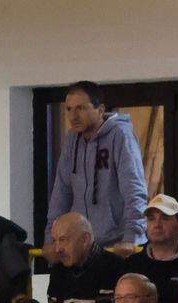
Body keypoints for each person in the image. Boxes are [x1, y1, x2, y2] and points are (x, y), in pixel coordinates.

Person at [44, 81, 147, 249]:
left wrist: (132, 237)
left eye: (81, 108)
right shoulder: (72, 139)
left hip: (117, 244)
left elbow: (134, 189)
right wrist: (51, 238)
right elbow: (61, 192)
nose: (73, 116)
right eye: (69, 109)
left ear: (100, 110)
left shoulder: (120, 135)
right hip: (80, 245)